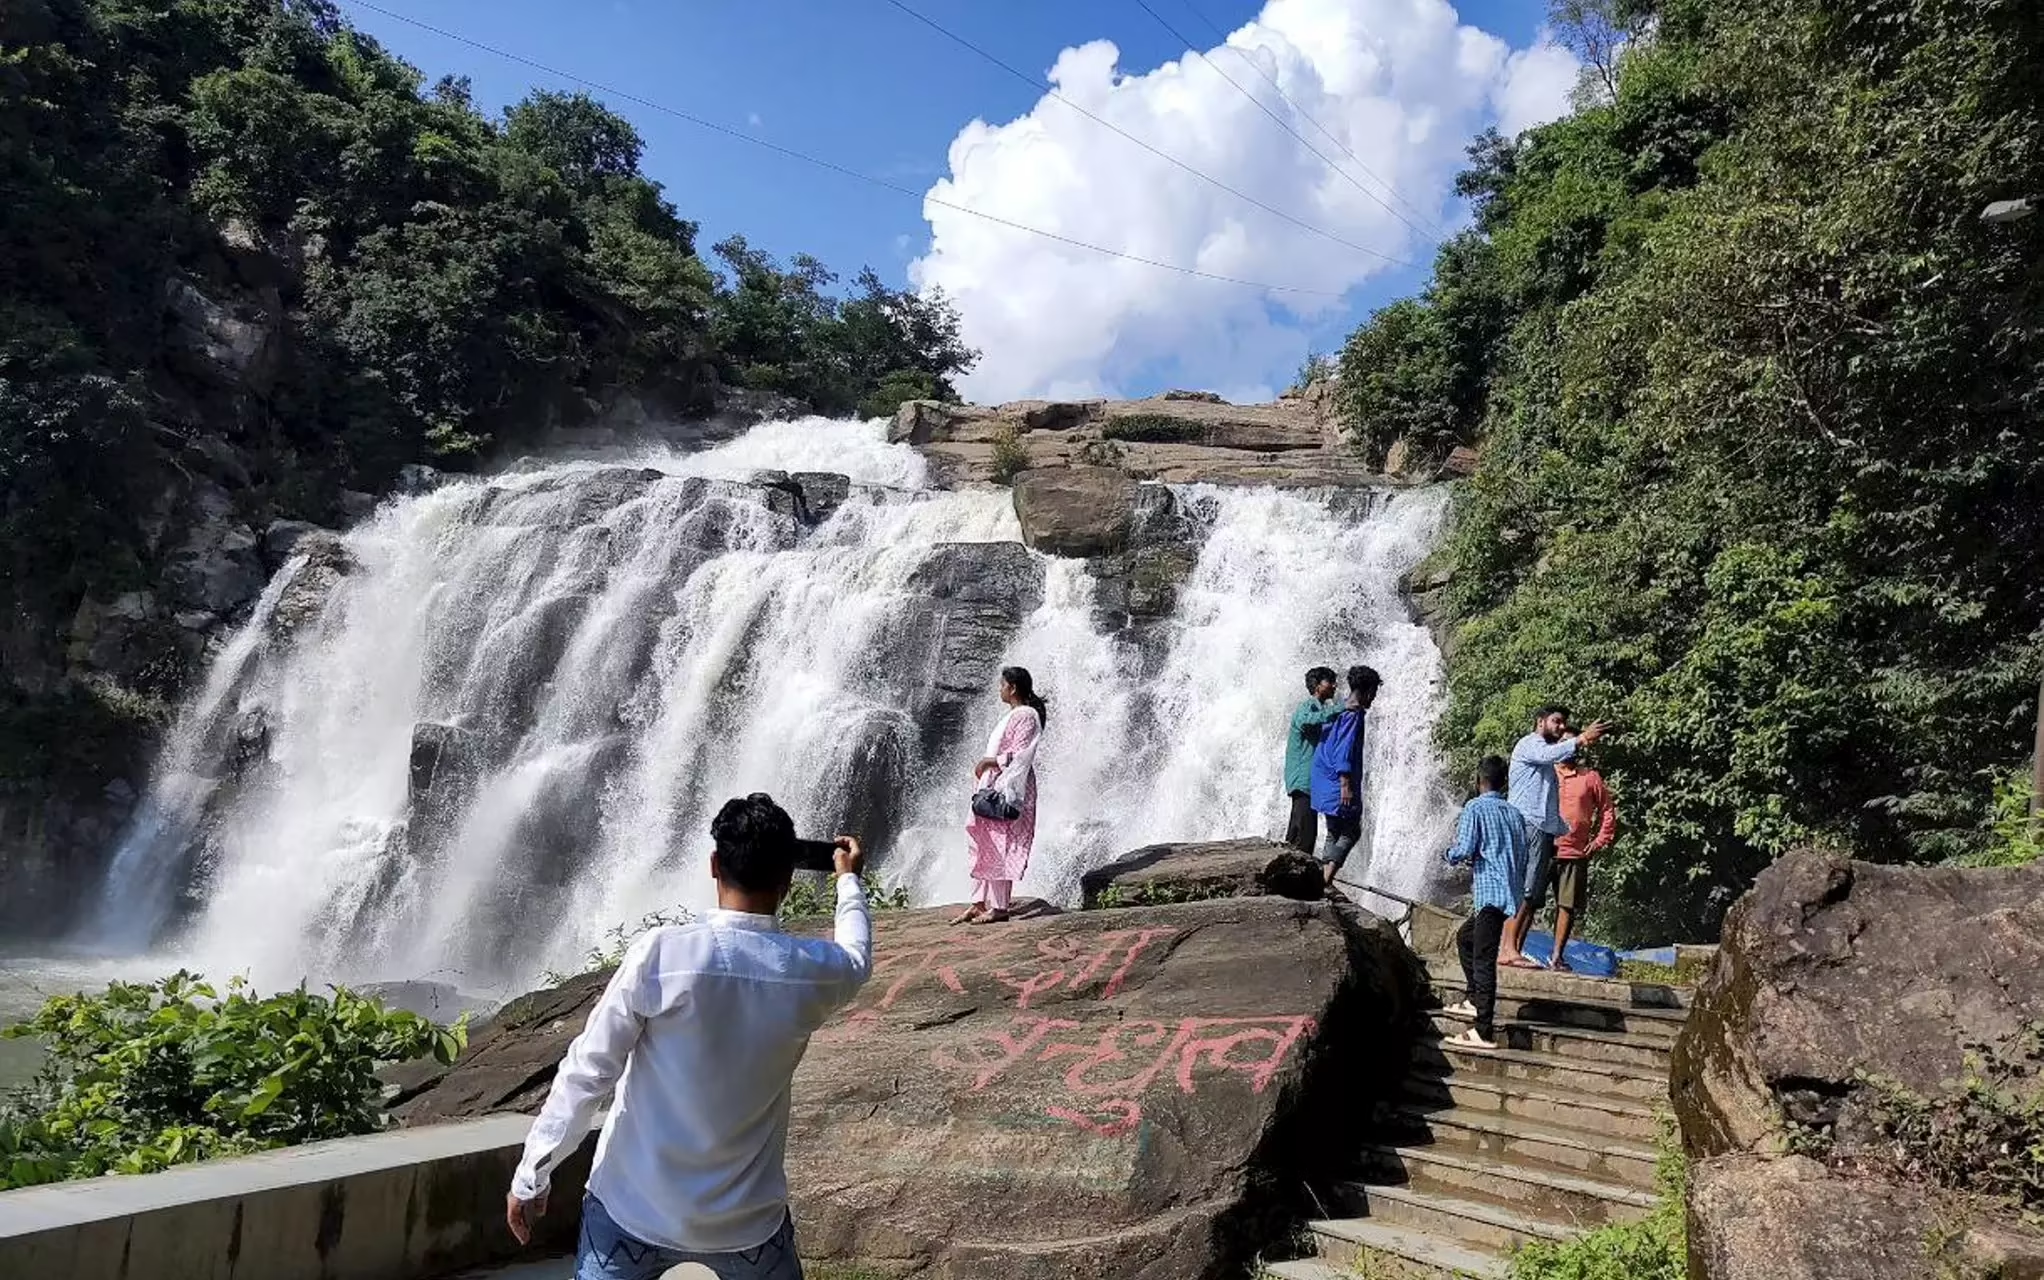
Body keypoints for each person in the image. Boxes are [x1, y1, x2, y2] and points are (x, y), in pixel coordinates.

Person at [504, 794, 872, 1280]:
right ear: (788, 880)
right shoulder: (813, 972)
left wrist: (533, 1173)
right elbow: (857, 955)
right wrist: (848, 880)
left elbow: (588, 1072)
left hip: (632, 1211)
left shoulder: (662, 955)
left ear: (714, 865)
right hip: (747, 1226)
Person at [1501, 705, 1609, 968]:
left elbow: (1554, 805)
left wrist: (1578, 837)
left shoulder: (1580, 774)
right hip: (1530, 826)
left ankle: (1516, 951)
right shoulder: (1532, 745)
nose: (1560, 728)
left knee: (1534, 894)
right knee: (1526, 892)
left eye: (1563, 724)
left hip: (1551, 836)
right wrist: (1582, 738)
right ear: (1540, 721)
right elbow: (1549, 754)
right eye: (1556, 722)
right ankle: (1508, 950)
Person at [1442, 755, 1528, 1049]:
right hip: (1509, 893)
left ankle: (1483, 1029)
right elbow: (1522, 854)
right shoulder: (1514, 813)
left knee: (1483, 961)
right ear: (1504, 783)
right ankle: (1473, 998)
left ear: (1479, 781)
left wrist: (1449, 855)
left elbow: (1465, 848)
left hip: (1489, 892)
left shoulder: (1475, 807)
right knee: (1466, 937)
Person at [953, 665, 1046, 926]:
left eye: (1002, 685)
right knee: (982, 841)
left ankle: (999, 907)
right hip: (993, 785)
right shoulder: (1015, 714)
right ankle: (978, 902)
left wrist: (990, 762)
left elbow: (1021, 755)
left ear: (1013, 688)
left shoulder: (1026, 715)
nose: (1000, 689)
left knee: (998, 844)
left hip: (1008, 789)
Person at [1308, 664, 1382, 892]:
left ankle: (1323, 878)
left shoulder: (1338, 708)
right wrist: (1345, 783)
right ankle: (1324, 881)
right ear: (1368, 691)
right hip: (1336, 781)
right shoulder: (1353, 714)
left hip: (1322, 776)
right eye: (1374, 692)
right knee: (1351, 831)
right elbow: (1344, 749)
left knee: (1333, 830)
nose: (1374, 698)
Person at [1542, 753, 1618, 971]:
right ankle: (1512, 949)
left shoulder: (1589, 777)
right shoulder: (1547, 772)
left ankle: (1556, 957)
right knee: (1527, 900)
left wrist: (1599, 840)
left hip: (1574, 852)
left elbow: (1607, 809)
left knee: (1566, 905)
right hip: (1544, 848)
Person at [1283, 667, 1341, 855]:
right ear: (1317, 686)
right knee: (1304, 835)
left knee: (1299, 833)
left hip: (1310, 782)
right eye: (1329, 681)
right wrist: (1340, 708)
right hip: (1303, 780)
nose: (1334, 685)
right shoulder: (1307, 707)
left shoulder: (1321, 709)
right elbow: (1306, 721)